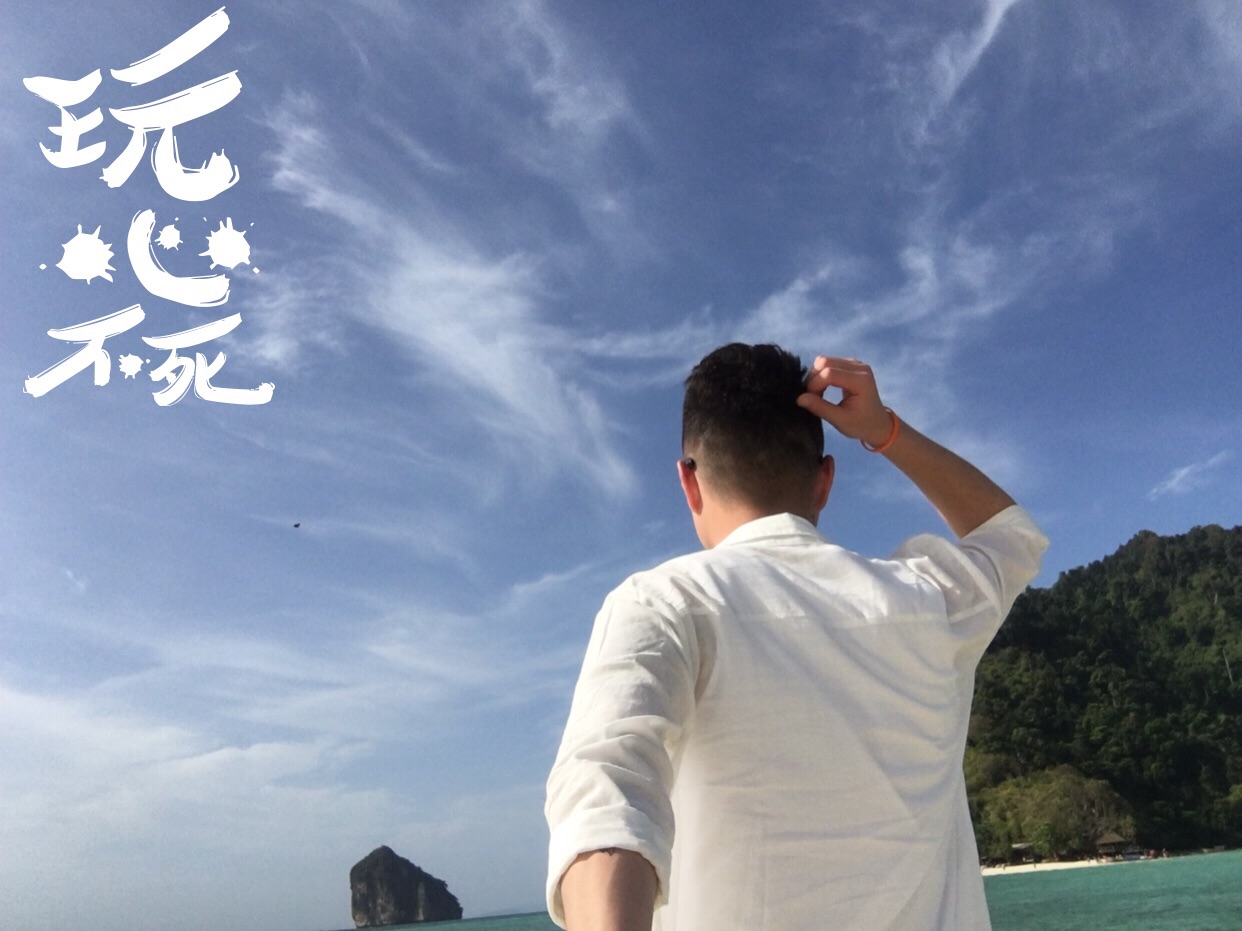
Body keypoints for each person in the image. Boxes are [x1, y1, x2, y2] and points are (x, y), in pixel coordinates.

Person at [544, 344, 1048, 930]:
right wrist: (884, 430)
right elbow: (1009, 537)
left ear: (689, 482)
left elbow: (606, 799)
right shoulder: (928, 603)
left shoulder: (663, 604)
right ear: (825, 481)